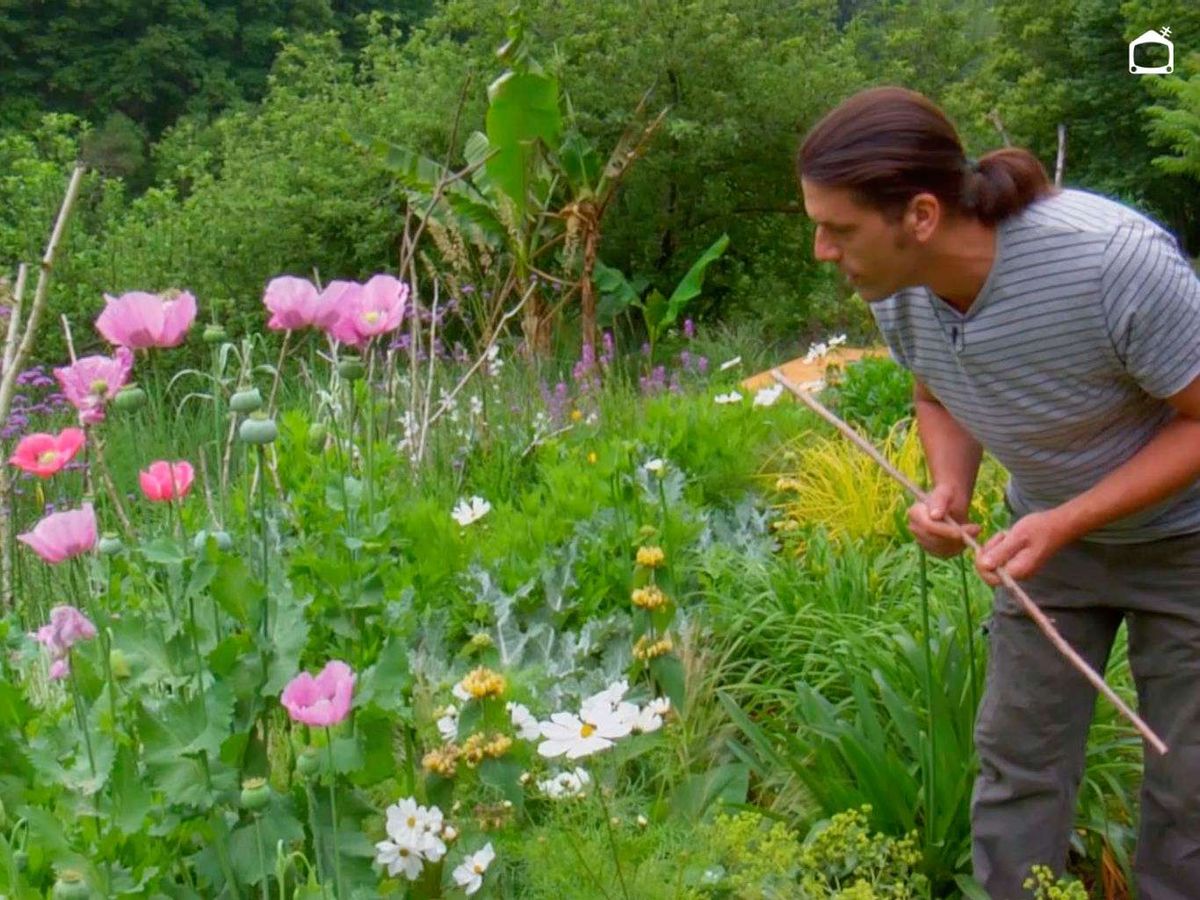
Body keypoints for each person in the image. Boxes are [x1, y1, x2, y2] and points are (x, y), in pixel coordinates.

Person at [796, 85, 1200, 898]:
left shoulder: (1111, 263)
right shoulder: (897, 288)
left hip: (1185, 546)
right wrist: (951, 487)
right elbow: (936, 394)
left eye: (838, 228)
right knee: (1019, 762)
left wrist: (1070, 517)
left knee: (1188, 778)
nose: (821, 251)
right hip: (1045, 545)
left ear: (919, 214)